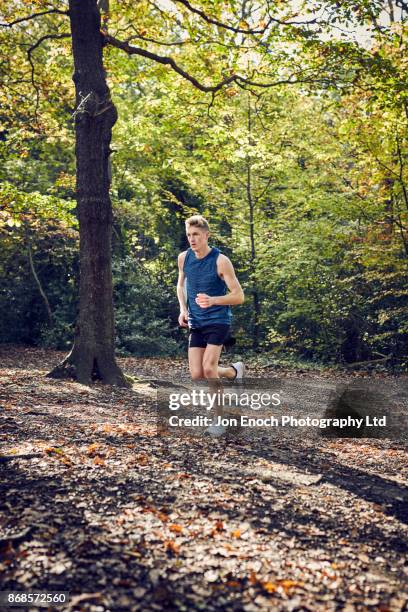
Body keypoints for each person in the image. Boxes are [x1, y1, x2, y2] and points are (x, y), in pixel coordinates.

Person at [177, 214, 245, 382]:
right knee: (197, 374)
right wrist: (183, 309)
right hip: (196, 321)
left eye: (196, 234)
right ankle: (233, 372)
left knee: (208, 369)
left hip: (218, 321)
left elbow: (239, 296)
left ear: (206, 235)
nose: (192, 239)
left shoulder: (221, 261)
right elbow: (180, 285)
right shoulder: (184, 258)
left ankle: (218, 409)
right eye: (189, 235)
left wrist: (213, 300)